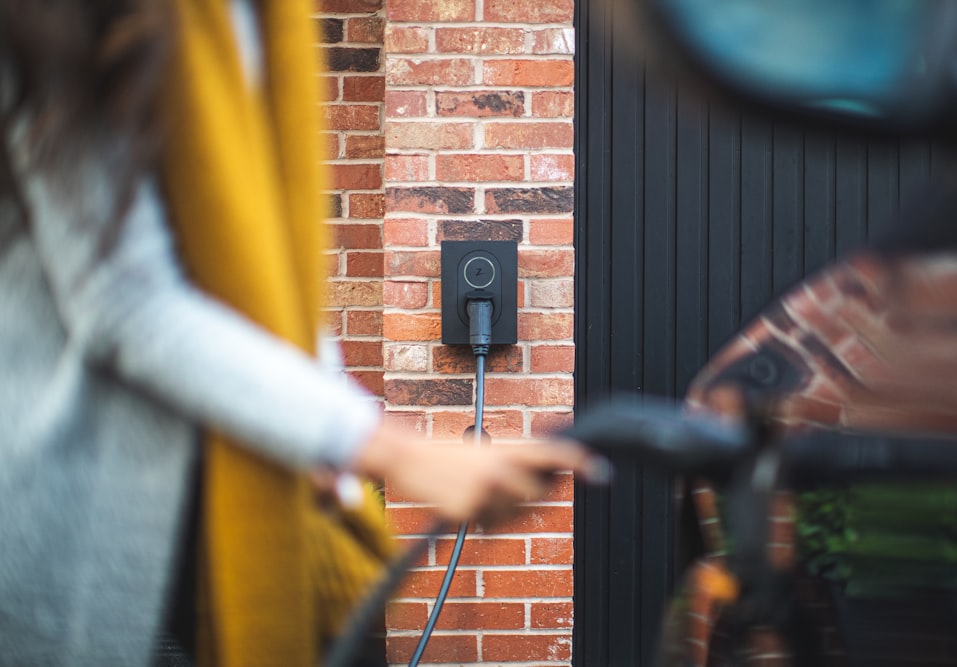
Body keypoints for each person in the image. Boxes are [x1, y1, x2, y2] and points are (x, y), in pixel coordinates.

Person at [0, 1, 604, 665]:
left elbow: (271, 285)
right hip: (95, 513)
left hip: (243, 483)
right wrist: (396, 452)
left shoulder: (266, 19)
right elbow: (126, 301)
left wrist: (330, 433)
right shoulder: (61, 17)